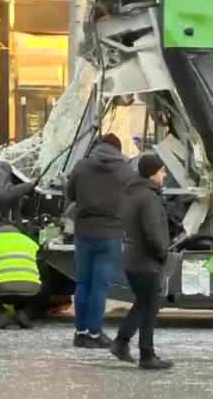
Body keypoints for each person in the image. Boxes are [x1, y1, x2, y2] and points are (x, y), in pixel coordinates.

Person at [65, 133, 133, 349]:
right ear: (118, 149)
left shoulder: (82, 165)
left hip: (84, 231)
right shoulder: (125, 170)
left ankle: (80, 332)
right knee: (100, 285)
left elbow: (70, 193)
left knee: (83, 282)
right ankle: (95, 332)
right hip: (111, 234)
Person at [110, 155, 173, 370]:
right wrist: (162, 253)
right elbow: (153, 232)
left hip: (133, 258)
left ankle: (121, 342)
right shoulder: (148, 197)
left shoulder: (133, 193)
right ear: (152, 173)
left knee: (143, 303)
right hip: (145, 259)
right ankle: (147, 354)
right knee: (149, 308)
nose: (164, 174)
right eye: (161, 171)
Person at [0, 222, 41, 330]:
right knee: (40, 290)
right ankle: (24, 313)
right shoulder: (29, 242)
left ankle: (0, 314)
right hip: (29, 290)